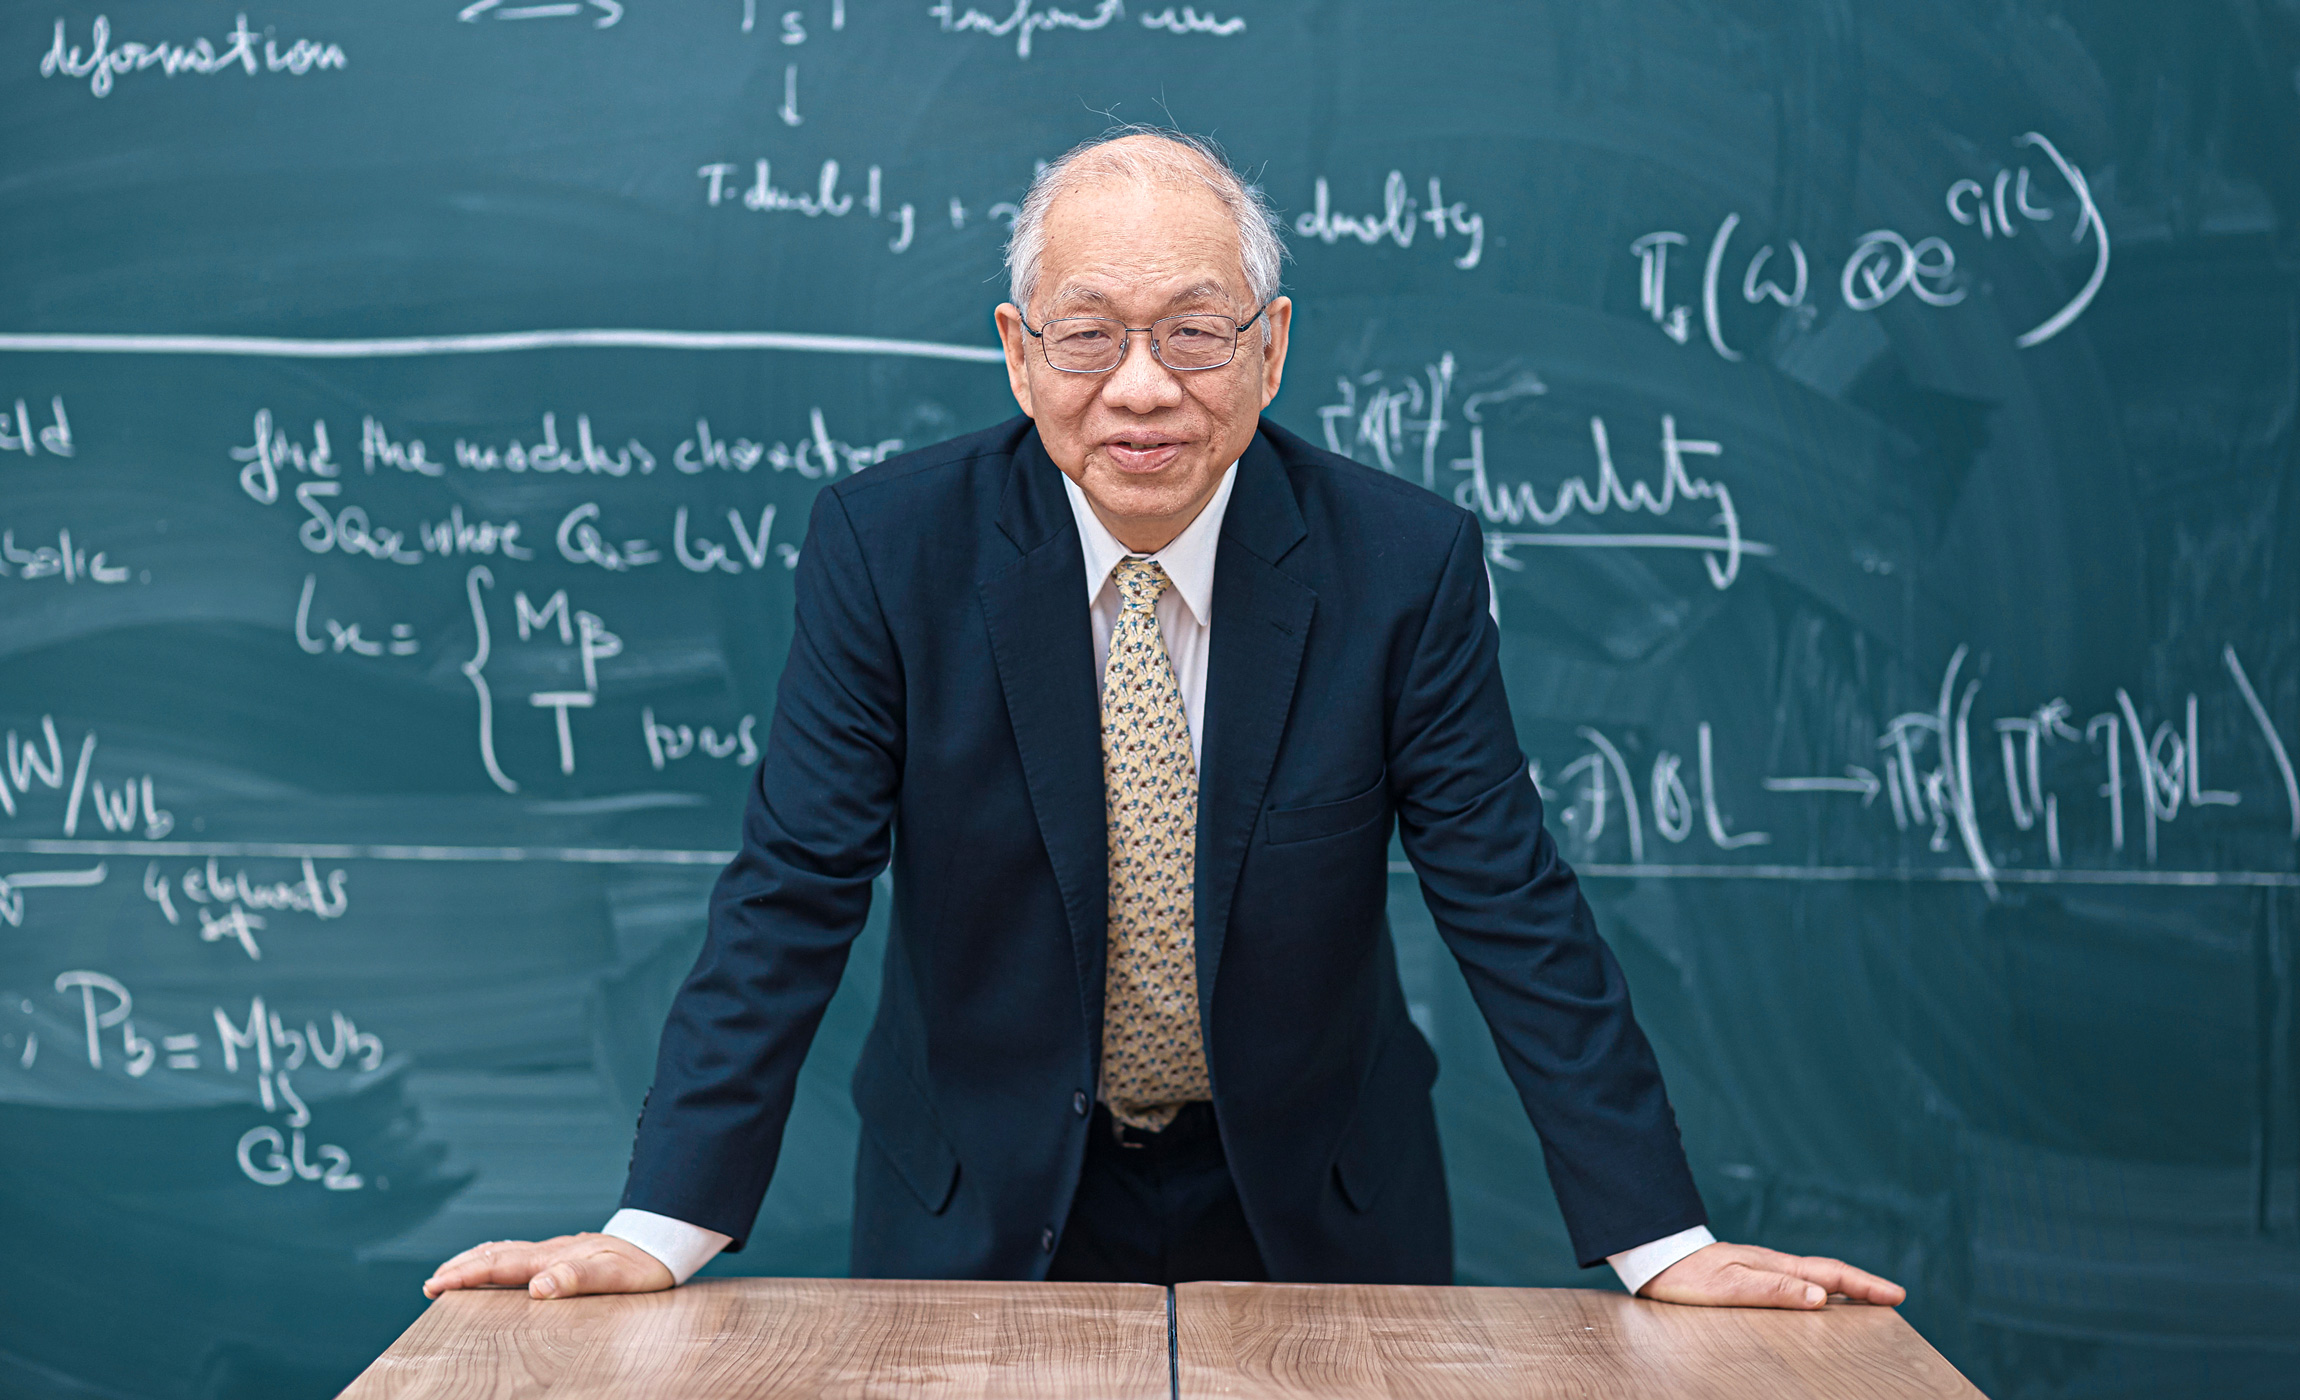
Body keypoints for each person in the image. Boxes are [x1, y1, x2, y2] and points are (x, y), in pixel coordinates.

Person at [425, 128, 1903, 1311]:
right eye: (1090, 336)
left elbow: (1508, 902)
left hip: (1318, 1200)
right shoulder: (893, 550)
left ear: (1269, 352)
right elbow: (794, 890)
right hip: (979, 1194)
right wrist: (661, 1223)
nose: (1143, 390)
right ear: (1018, 350)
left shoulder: (1401, 565)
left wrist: (1666, 1244)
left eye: (1196, 334)